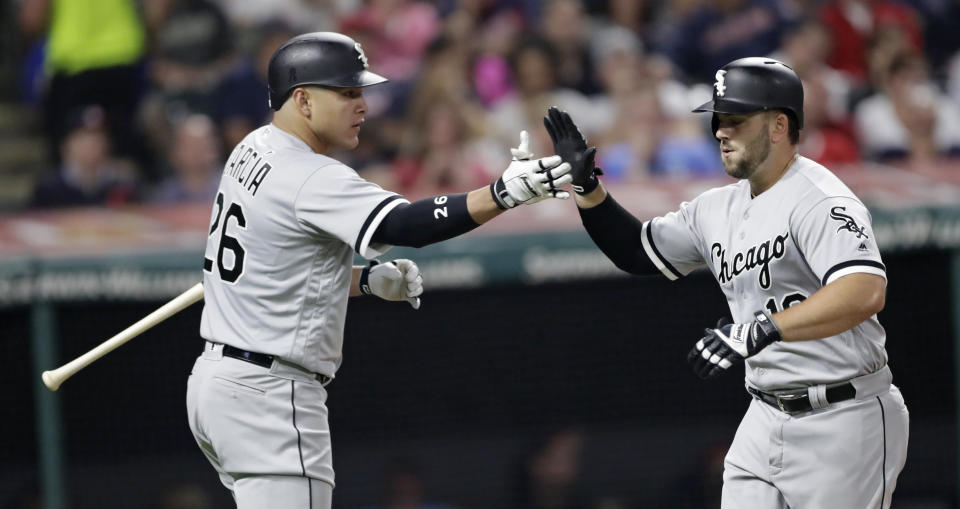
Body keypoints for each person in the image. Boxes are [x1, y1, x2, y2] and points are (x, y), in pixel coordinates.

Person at [185, 32, 572, 509]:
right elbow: (405, 223)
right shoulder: (308, 174)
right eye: (347, 93)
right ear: (302, 100)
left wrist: (364, 280)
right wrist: (502, 194)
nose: (363, 105)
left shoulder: (251, 148)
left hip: (217, 388)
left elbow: (278, 274)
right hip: (270, 395)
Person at [544, 57, 909, 508]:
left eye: (736, 119)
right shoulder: (716, 207)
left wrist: (765, 327)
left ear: (779, 126)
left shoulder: (820, 198)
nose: (720, 130)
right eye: (718, 119)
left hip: (844, 415)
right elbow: (638, 252)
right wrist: (587, 190)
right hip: (764, 413)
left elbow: (865, 291)